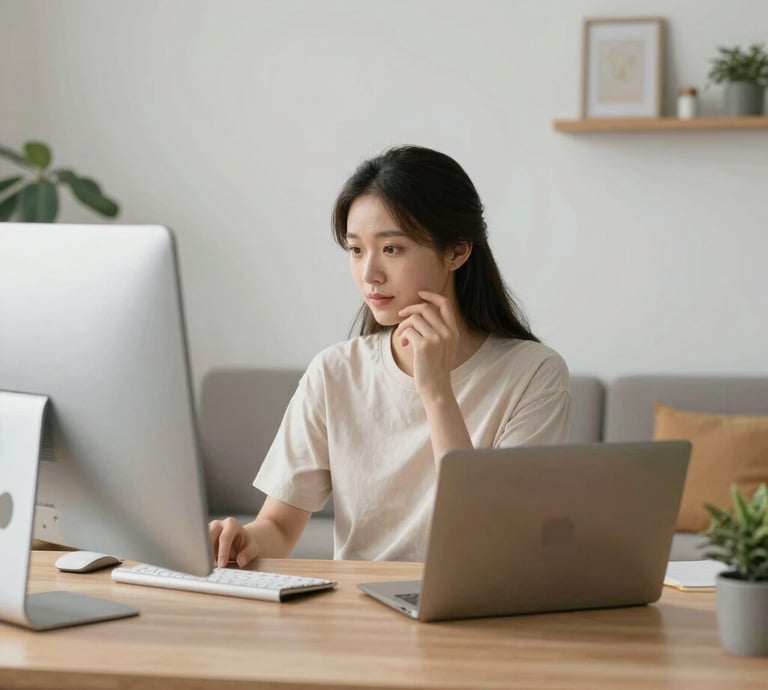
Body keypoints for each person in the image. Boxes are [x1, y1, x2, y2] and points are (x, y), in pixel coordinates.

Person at [210, 145, 571, 567]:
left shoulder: (534, 374)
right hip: (359, 615)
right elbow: (279, 527)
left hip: (475, 612)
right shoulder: (334, 372)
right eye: (356, 250)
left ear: (457, 250)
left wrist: (436, 390)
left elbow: (492, 540)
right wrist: (240, 541)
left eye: (392, 249)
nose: (370, 275)